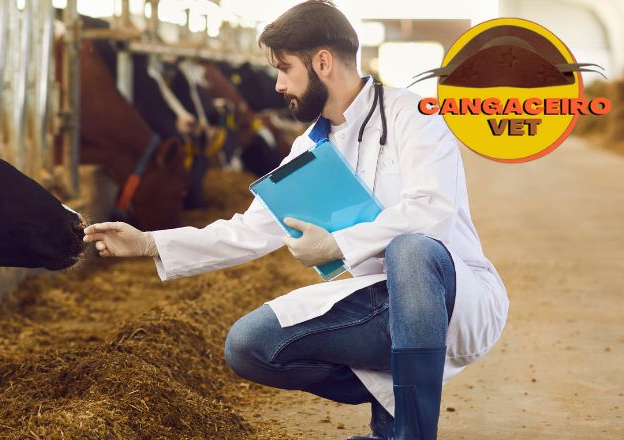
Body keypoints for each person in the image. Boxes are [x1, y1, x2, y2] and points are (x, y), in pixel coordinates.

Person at [82, 2, 508, 439]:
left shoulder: (413, 116)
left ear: (321, 62)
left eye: (285, 68)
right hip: (378, 306)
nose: (279, 83)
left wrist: (339, 245)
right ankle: (390, 423)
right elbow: (248, 231)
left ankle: (413, 434)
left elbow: (431, 210)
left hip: (450, 298)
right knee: (249, 345)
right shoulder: (309, 147)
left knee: (411, 248)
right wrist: (149, 242)